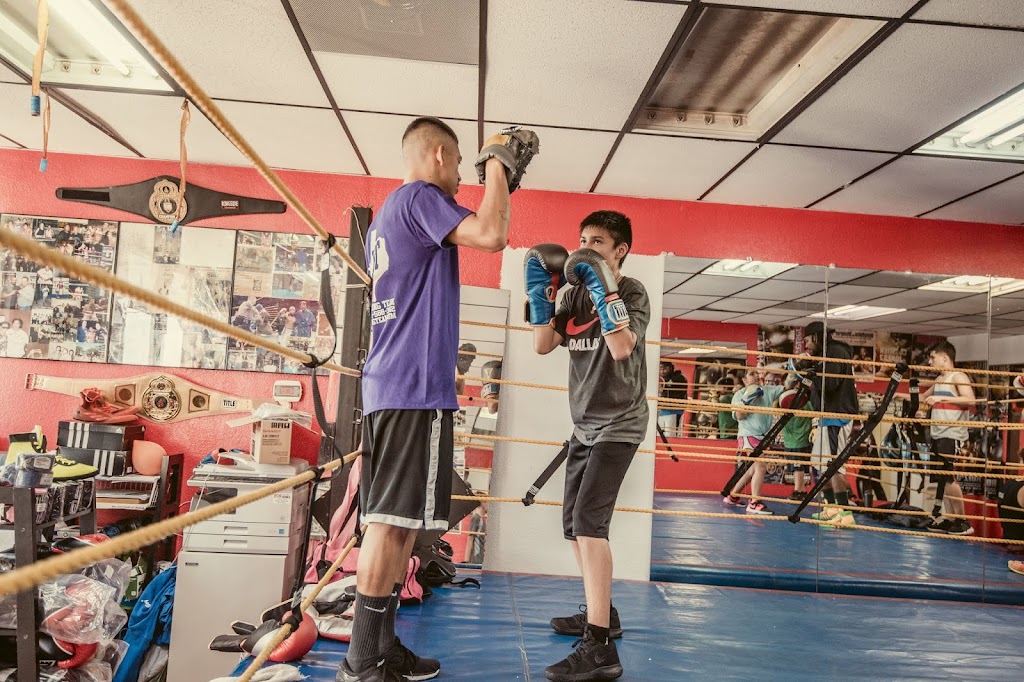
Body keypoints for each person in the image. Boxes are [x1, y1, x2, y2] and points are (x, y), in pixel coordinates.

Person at [342, 117, 527, 682]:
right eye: (463, 163)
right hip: (413, 388)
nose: (463, 176)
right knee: (389, 524)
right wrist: (498, 166)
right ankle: (362, 660)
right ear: (441, 155)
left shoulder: (390, 213)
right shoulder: (420, 197)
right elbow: (492, 234)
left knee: (400, 525)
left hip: (397, 386)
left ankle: (379, 648)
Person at [530, 210, 650, 682]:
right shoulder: (572, 293)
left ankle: (600, 647)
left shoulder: (633, 292)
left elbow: (621, 348)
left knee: (589, 523)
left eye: (596, 241)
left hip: (620, 424)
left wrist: (605, 290)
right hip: (583, 426)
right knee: (572, 526)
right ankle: (603, 612)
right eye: (581, 238)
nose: (584, 247)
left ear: (620, 250)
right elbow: (543, 344)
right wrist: (540, 295)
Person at [802, 321, 859, 528]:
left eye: (807, 341)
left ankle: (845, 512)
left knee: (833, 465)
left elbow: (829, 384)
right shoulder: (824, 355)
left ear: (816, 337)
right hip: (826, 416)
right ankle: (831, 508)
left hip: (837, 416)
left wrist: (810, 374)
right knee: (819, 465)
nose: (806, 346)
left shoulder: (835, 352)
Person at [917, 341, 976, 535]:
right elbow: (922, 397)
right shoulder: (939, 380)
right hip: (938, 434)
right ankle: (951, 519)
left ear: (944, 358)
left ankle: (962, 521)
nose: (930, 361)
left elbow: (970, 400)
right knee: (943, 478)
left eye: (932, 357)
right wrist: (897, 394)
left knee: (949, 478)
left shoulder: (958, 376)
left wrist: (941, 398)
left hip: (952, 434)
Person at [723, 368, 784, 515]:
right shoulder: (739, 394)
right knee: (760, 466)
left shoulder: (767, 391)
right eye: (752, 374)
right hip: (748, 435)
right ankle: (754, 502)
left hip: (762, 437)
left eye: (757, 373)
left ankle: (733, 496)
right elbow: (739, 416)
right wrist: (748, 397)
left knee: (752, 470)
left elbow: (787, 388)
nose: (757, 375)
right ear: (744, 380)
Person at [778, 375, 813, 500]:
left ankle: (798, 491)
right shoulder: (785, 400)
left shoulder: (804, 402)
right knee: (797, 467)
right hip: (793, 440)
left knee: (798, 467)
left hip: (797, 441)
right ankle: (800, 490)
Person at [658, 361, 687, 437]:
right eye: (661, 369)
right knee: (660, 434)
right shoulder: (661, 379)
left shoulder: (679, 378)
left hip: (675, 410)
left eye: (665, 369)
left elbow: (671, 385)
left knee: (671, 434)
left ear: (671, 368)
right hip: (662, 410)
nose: (662, 371)